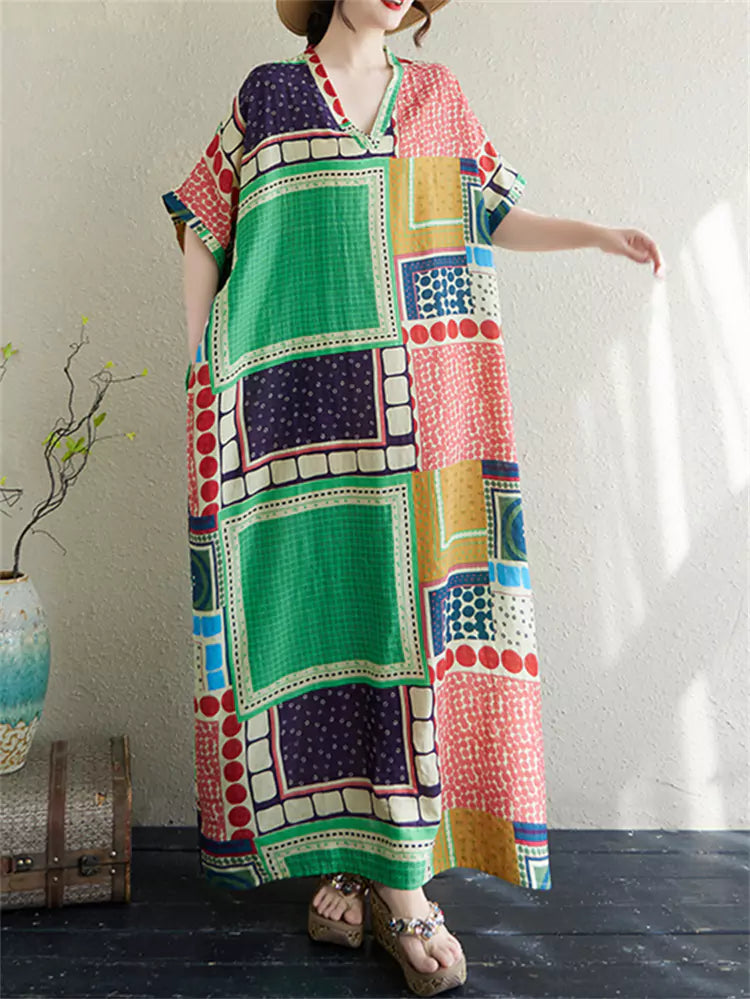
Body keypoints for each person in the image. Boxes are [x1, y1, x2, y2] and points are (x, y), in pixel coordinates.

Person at [161, 1, 665, 994]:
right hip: (293, 419)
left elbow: (487, 210)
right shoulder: (269, 97)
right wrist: (201, 368)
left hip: (422, 425)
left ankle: (397, 878)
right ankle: (357, 861)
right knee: (321, 629)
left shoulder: (435, 95)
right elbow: (202, 227)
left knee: (411, 638)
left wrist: (598, 235)